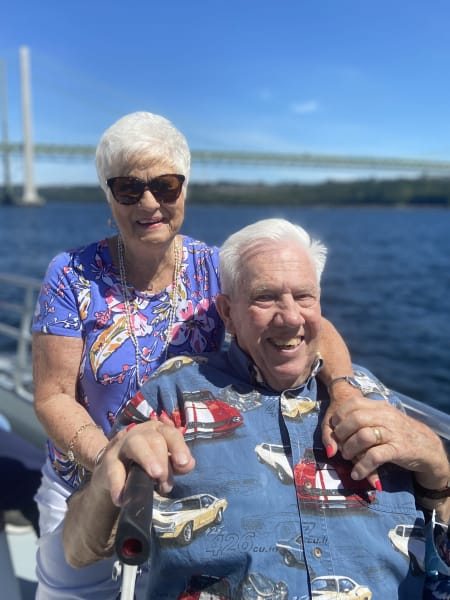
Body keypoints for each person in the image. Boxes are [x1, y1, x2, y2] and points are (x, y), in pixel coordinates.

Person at [31, 114, 358, 595]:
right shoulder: (71, 275)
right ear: (108, 195)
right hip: (83, 480)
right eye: (128, 188)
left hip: (183, 484)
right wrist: (113, 461)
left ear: (183, 190)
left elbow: (309, 325)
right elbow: (53, 396)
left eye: (165, 186)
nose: (149, 203)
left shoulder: (214, 267)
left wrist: (346, 395)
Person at [62, 218, 450, 599]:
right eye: (265, 297)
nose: (291, 318)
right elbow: (78, 549)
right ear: (228, 313)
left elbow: (440, 557)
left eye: (304, 297)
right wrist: (111, 471)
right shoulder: (172, 396)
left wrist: (439, 473)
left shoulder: (369, 397)